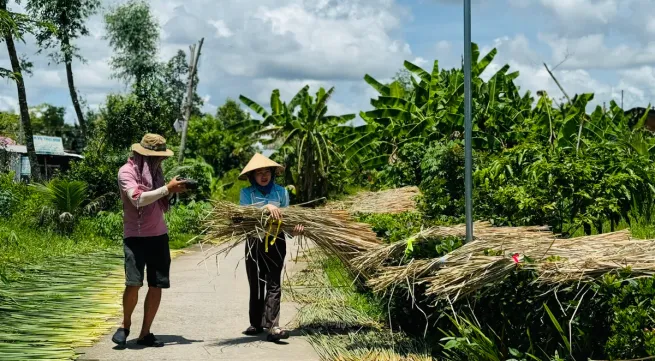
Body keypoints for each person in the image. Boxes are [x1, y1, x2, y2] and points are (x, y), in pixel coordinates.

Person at [112, 134, 187, 348]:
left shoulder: (156, 173)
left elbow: (158, 197)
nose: (161, 161)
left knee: (156, 285)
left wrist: (174, 191)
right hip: (135, 237)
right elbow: (137, 199)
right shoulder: (126, 172)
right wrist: (167, 189)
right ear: (144, 154)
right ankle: (125, 326)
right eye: (158, 157)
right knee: (133, 283)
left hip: (158, 235)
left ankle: (145, 332)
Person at [238, 153, 304, 342]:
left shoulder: (281, 192)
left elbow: (287, 220)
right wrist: (265, 207)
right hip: (254, 241)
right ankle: (256, 322)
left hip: (276, 241)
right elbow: (243, 216)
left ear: (273, 173)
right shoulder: (246, 193)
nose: (263, 175)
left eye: (267, 171)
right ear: (252, 176)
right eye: (258, 173)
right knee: (256, 282)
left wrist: (295, 229)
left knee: (273, 283)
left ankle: (272, 325)